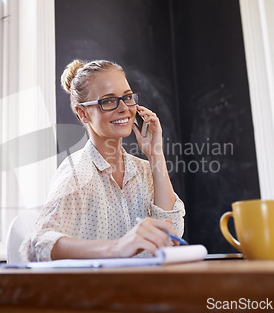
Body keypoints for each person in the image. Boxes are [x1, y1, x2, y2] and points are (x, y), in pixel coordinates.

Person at [19, 59, 185, 262]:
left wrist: (155, 154)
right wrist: (118, 247)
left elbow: (172, 234)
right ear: (82, 114)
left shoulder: (143, 170)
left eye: (127, 97)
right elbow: (37, 245)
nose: (124, 108)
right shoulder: (78, 172)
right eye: (108, 101)